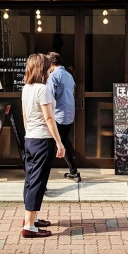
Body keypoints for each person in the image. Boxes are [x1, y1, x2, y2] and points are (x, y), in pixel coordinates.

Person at [21, 53, 65, 238]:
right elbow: (49, 118)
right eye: (47, 66)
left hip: (30, 138)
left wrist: (28, 133)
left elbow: (24, 115)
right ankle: (29, 227)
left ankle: (30, 218)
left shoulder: (27, 88)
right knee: (38, 183)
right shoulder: (43, 89)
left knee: (30, 180)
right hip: (42, 140)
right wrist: (59, 142)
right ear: (42, 68)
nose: (49, 69)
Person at [46, 52, 80, 181]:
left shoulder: (53, 76)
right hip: (69, 114)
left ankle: (42, 178)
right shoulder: (68, 75)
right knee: (63, 142)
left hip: (58, 115)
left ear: (51, 63)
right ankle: (73, 171)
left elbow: (49, 97)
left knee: (51, 145)